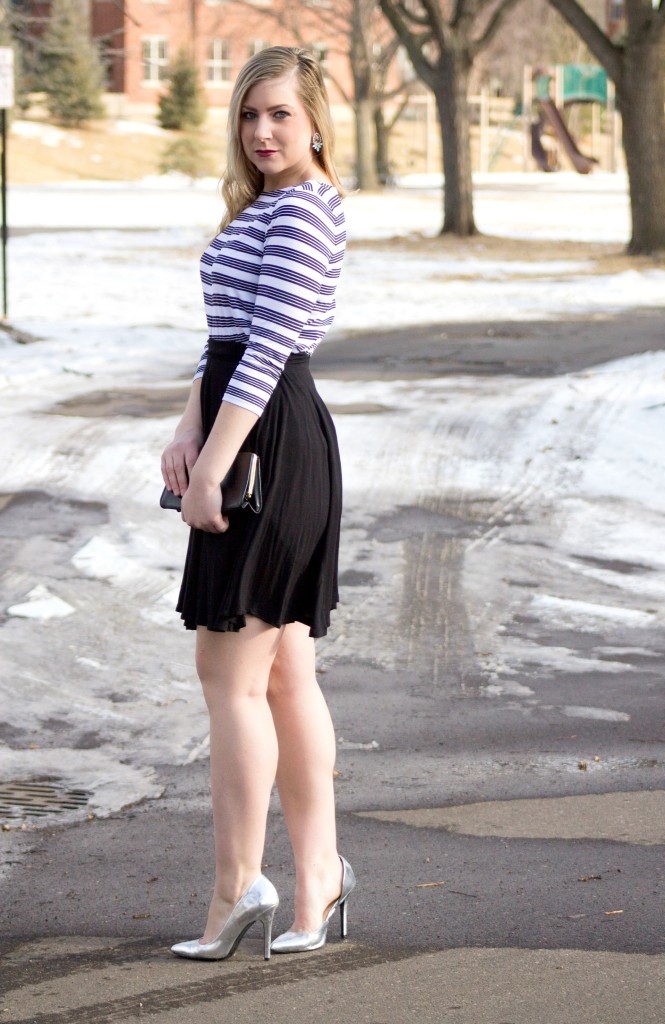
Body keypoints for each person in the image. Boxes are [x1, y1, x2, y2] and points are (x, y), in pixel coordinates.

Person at [160, 46, 354, 961]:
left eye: (279, 113)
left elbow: (271, 346)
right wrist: (186, 427)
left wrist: (213, 469)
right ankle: (321, 878)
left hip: (273, 444)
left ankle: (240, 889)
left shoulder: (308, 210)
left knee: (226, 674)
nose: (263, 132)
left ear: (315, 119)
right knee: (280, 675)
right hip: (250, 431)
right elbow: (223, 342)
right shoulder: (261, 209)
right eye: (248, 116)